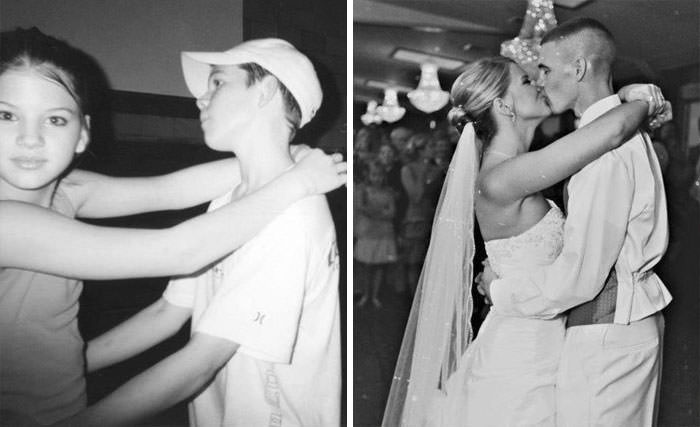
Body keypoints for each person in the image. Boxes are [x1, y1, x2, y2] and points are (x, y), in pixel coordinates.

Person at [0, 28, 346, 426]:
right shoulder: (9, 222)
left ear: (82, 135)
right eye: (7, 115)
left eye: (216, 82)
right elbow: (178, 252)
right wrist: (296, 177)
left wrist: (291, 163)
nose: (30, 139)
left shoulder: (270, 209)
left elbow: (168, 194)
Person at [381, 52, 670, 426]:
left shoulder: (516, 168)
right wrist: (643, 99)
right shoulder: (502, 176)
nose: (538, 83)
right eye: (525, 81)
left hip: (546, 335)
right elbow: (611, 131)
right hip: (524, 349)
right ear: (503, 104)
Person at [480, 18, 672, 426]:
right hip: (612, 328)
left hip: (606, 332)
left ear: (579, 68)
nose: (541, 80)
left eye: (545, 69)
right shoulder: (601, 137)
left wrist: (500, 291)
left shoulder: (604, 148)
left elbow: (580, 277)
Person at [354, 158, 398, 308]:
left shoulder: (388, 192)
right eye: (374, 175)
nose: (377, 178)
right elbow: (361, 208)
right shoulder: (363, 190)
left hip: (383, 233)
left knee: (379, 265)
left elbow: (392, 211)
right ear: (369, 175)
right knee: (367, 266)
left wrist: (377, 213)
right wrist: (380, 212)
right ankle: (366, 294)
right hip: (368, 232)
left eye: (380, 175)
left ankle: (375, 295)